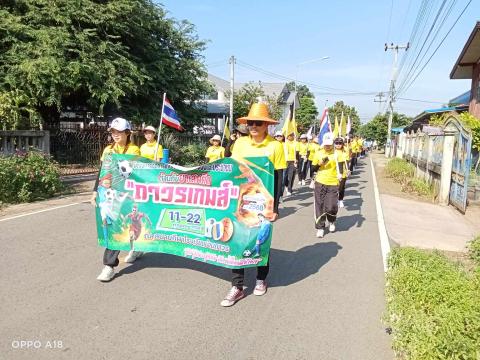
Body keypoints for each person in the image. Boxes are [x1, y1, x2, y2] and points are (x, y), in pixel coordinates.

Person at [221, 102, 286, 307]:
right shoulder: (239, 144)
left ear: (266, 125)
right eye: (250, 123)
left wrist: (274, 208)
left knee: (261, 241)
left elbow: (278, 177)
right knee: (238, 240)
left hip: (263, 203)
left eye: (258, 123)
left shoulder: (275, 146)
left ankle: (260, 279)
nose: (253, 126)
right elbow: (232, 172)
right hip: (241, 200)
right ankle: (237, 286)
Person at [90, 117, 141, 282]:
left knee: (128, 224)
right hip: (109, 195)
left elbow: (127, 173)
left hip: (128, 195)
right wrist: (95, 192)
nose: (116, 135)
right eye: (113, 131)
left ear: (127, 133)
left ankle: (135, 247)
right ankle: (109, 265)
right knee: (113, 228)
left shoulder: (134, 150)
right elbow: (101, 172)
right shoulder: (107, 150)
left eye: (119, 131)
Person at [311, 132, 347, 238]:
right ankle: (320, 227)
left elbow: (340, 168)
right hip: (320, 182)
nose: (327, 146)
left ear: (333, 144)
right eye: (326, 144)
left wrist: (341, 175)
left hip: (333, 183)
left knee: (331, 206)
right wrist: (319, 164)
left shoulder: (337, 154)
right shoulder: (318, 153)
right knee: (319, 205)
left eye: (329, 144)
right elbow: (312, 169)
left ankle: (331, 221)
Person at [334, 137, 350, 208]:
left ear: (342, 144)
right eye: (336, 143)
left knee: (341, 187)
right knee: (333, 187)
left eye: (340, 143)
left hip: (342, 171)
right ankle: (333, 200)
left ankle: (340, 200)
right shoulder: (332, 151)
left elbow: (347, 161)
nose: (338, 145)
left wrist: (348, 170)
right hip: (333, 171)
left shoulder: (344, 151)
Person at [283, 131, 297, 196]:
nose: (291, 137)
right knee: (284, 176)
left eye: (292, 135)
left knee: (291, 176)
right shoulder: (284, 143)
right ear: (287, 136)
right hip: (285, 161)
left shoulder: (295, 143)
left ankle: (289, 189)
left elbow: (297, 153)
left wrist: (296, 160)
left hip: (293, 161)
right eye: (289, 135)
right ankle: (286, 185)